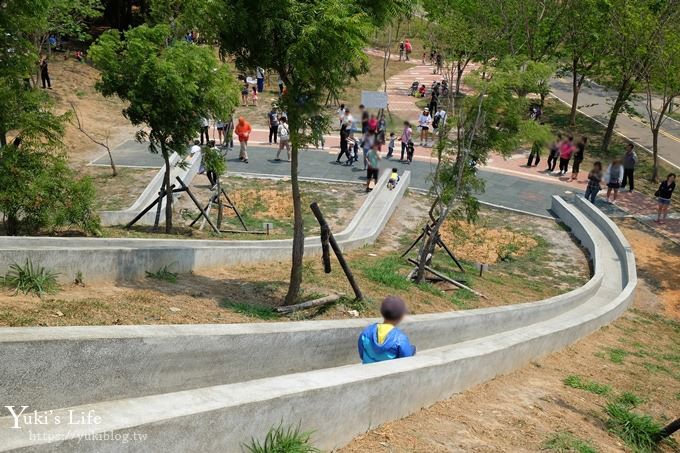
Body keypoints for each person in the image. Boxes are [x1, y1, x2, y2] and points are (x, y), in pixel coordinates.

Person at [358, 296, 416, 364]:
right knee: (412, 349)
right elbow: (406, 360)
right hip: (390, 373)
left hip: (367, 371)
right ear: (401, 317)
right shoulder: (400, 339)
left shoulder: (366, 333)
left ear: (382, 312)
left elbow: (362, 355)